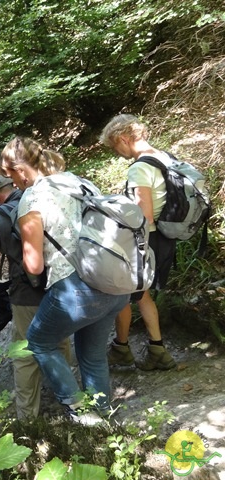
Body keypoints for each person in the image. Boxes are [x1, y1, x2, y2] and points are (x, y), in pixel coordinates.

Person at [1, 136, 129, 423]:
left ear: (21, 170)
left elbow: (33, 266)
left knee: (39, 342)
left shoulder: (32, 199)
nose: (11, 182)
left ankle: (82, 415)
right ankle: (104, 419)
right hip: (114, 283)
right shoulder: (81, 183)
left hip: (76, 290)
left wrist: (21, 255)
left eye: (10, 175)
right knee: (93, 356)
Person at [0, 176, 70, 419]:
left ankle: (28, 418)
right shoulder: (40, 199)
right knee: (61, 343)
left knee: (24, 353)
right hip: (60, 283)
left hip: (26, 292)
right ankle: (69, 403)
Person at [100, 114, 177, 371]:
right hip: (165, 238)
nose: (117, 152)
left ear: (123, 138)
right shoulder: (165, 156)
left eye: (115, 146)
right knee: (142, 295)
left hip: (146, 240)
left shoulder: (139, 167)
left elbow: (143, 215)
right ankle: (156, 349)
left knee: (123, 294)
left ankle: (122, 349)